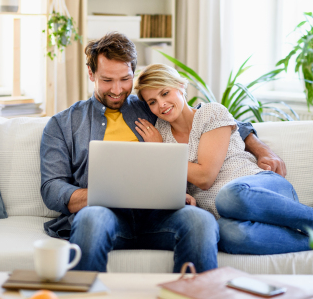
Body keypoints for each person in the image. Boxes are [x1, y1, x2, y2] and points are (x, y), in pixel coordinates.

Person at [40, 32, 289, 272]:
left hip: (164, 215)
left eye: (125, 79)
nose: (116, 89)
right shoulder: (63, 124)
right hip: (103, 214)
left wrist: (261, 149)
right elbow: (52, 188)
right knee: (91, 221)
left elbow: (217, 122)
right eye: (107, 80)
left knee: (201, 222)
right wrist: (103, 194)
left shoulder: (151, 105)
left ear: (133, 74)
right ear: (91, 73)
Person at [134, 63, 313, 254]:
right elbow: (181, 188)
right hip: (226, 217)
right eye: (153, 102)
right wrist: (182, 197)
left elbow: (204, 177)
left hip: (261, 190)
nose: (161, 105)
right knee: (231, 236)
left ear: (181, 87)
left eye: (165, 93)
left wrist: (162, 153)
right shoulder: (159, 135)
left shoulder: (211, 114)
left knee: (229, 195)